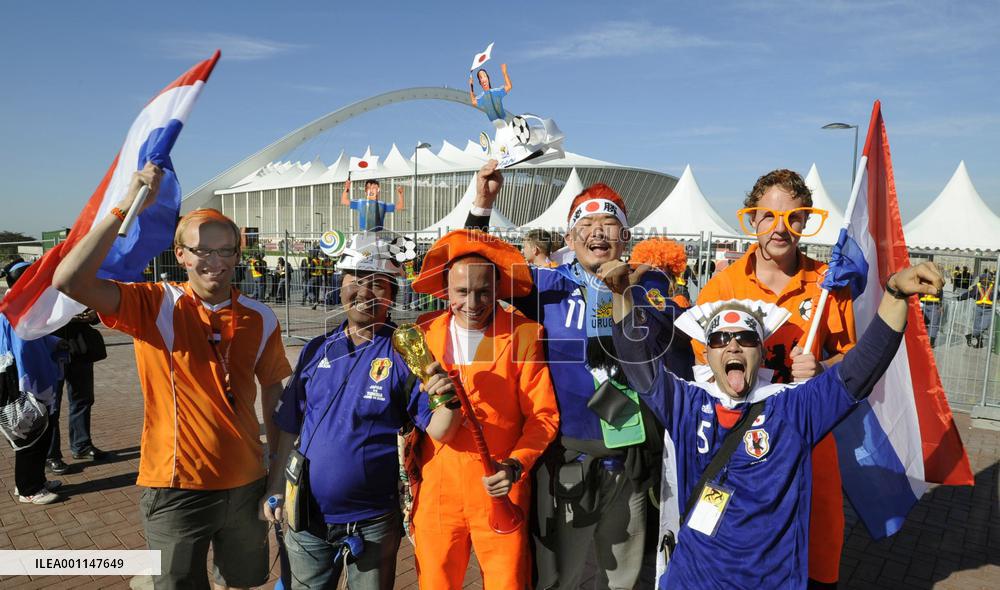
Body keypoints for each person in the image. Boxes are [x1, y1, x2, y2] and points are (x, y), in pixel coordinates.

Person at [605, 259, 943, 589]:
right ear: (707, 355)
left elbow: (859, 371)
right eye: (720, 339)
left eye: (746, 338)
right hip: (691, 578)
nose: (732, 345)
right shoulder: (688, 403)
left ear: (763, 352)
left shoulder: (793, 408)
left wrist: (895, 295)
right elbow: (639, 365)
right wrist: (621, 294)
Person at [52, 162, 293, 590]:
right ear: (180, 253)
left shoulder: (261, 316)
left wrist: (277, 479)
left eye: (225, 251)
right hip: (174, 484)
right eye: (201, 250)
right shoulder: (152, 305)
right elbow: (70, 280)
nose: (214, 262)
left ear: (239, 255)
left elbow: (275, 399)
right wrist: (124, 206)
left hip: (247, 484)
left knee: (240, 583)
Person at [466, 161, 690, 589]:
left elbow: (677, 345)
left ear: (626, 237)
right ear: (570, 238)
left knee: (622, 577)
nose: (598, 233)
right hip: (566, 456)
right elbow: (473, 267)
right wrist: (483, 204)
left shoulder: (650, 285)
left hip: (630, 457)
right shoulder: (546, 284)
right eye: (586, 224)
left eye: (609, 224)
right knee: (558, 576)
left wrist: (629, 294)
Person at [265, 233, 462, 590]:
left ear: (392, 294)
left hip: (372, 521)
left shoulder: (408, 352)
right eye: (356, 279)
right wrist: (275, 485)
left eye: (378, 284)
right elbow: (291, 425)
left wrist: (447, 397)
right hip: (305, 514)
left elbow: (441, 430)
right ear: (340, 285)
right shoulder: (315, 349)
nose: (364, 292)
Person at [693, 168, 855, 587]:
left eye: (793, 217)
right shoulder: (720, 288)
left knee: (817, 549)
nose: (780, 228)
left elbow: (850, 357)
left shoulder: (827, 283)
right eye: (768, 216)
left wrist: (824, 370)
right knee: (736, 548)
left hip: (808, 437)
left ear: (805, 221)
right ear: (753, 219)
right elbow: (700, 369)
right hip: (740, 440)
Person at [408, 228, 559, 589]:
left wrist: (516, 464)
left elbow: (544, 415)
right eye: (462, 292)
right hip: (438, 487)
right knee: (435, 581)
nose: (472, 302)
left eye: (483, 292)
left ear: (498, 290)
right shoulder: (423, 332)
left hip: (500, 485)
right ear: (446, 290)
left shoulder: (524, 334)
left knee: (507, 582)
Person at [2, 260, 64, 505]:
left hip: (35, 379)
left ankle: (34, 481)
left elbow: (39, 339)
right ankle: (29, 489)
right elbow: (22, 350)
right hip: (25, 381)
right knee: (29, 436)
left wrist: (56, 343)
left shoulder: (24, 305)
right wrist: (26, 387)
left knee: (41, 432)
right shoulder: (16, 309)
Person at [46, 308, 108, 475]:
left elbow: (98, 311)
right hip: (51, 349)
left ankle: (81, 446)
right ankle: (51, 455)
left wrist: (95, 314)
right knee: (51, 406)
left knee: (83, 400)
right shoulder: (42, 287)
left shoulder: (81, 285)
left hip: (80, 348)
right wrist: (64, 317)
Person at [629, 237, 691, 308]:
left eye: (659, 268)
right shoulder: (636, 294)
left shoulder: (678, 300)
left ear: (669, 269)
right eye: (649, 269)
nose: (654, 273)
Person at [341, 178, 405, 232]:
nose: (371, 190)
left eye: (374, 188)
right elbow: (344, 201)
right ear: (365, 190)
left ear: (378, 190)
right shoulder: (361, 202)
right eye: (369, 188)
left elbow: (399, 206)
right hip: (363, 234)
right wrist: (347, 188)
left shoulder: (382, 204)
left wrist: (400, 194)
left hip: (379, 234)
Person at [957, 270, 995, 348]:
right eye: (984, 279)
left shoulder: (993, 287)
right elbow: (969, 294)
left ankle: (970, 336)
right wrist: (960, 297)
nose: (986, 281)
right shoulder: (977, 286)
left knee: (984, 326)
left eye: (988, 279)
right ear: (981, 280)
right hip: (978, 308)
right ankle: (979, 343)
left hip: (989, 310)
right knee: (976, 326)